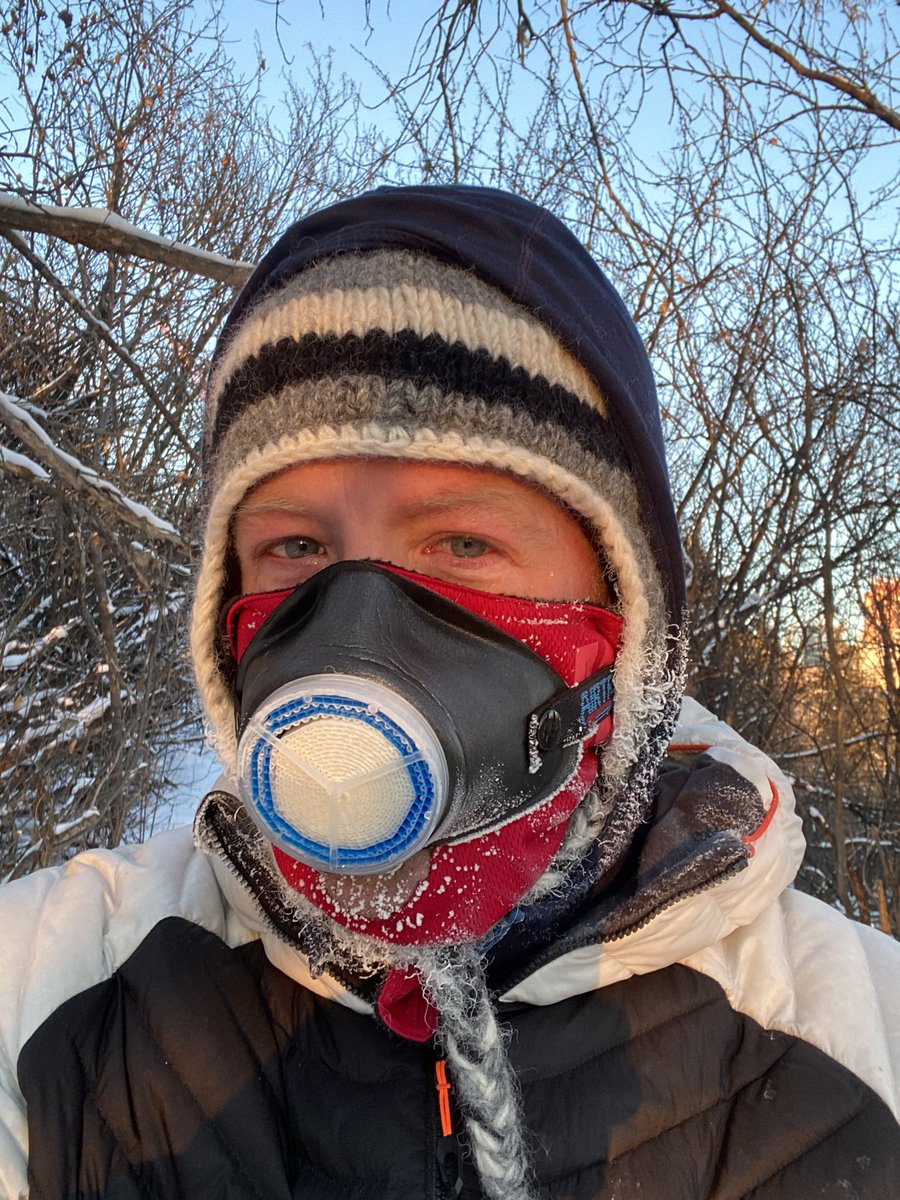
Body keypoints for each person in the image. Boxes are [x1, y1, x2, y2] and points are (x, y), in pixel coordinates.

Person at [1, 185, 898, 1200]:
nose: (360, 629)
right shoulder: (49, 993)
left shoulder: (856, 1048)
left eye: (462, 543)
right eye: (296, 546)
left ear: (623, 610)